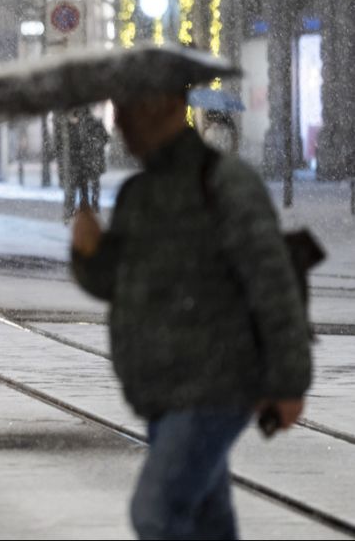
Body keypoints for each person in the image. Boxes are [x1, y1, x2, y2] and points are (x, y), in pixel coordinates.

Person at [70, 91, 312, 540]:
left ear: (161, 105)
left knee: (157, 512)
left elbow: (273, 284)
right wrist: (86, 250)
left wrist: (288, 380)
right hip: (162, 390)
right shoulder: (138, 194)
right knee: (206, 520)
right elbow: (113, 282)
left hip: (217, 384)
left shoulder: (224, 182)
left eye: (127, 107)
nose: (118, 122)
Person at [64, 107, 110, 218]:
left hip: (85, 160)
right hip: (90, 160)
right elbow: (106, 138)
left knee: (81, 185)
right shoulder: (93, 123)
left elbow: (78, 143)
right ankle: (92, 207)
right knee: (91, 185)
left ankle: (81, 209)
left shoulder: (80, 124)